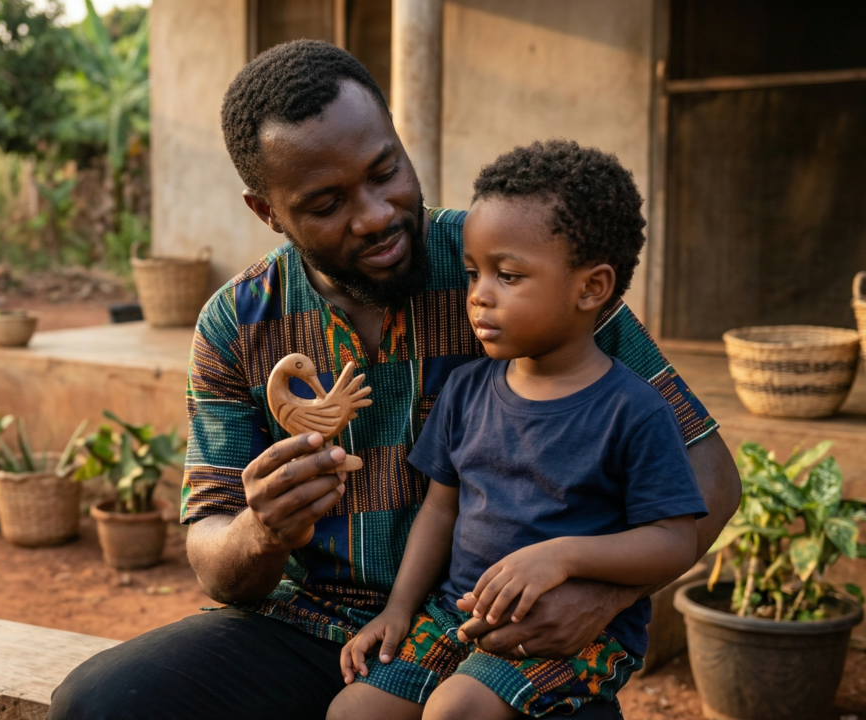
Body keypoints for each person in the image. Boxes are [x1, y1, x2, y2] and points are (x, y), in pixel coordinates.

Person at [46, 41, 740, 720]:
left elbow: (709, 476)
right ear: (268, 212)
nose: (376, 213)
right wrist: (263, 528)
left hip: (497, 632)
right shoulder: (239, 323)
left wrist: (600, 596)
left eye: (386, 170)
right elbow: (214, 555)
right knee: (102, 702)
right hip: (310, 628)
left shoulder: (513, 265)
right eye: (326, 204)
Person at [332, 140, 706, 719]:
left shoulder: (633, 411)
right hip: (457, 615)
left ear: (591, 288)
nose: (479, 295)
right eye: (474, 273)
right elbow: (440, 510)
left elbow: (675, 540)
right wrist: (400, 609)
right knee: (355, 711)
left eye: (507, 275)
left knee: (455, 710)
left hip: (568, 632)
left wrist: (563, 557)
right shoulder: (466, 391)